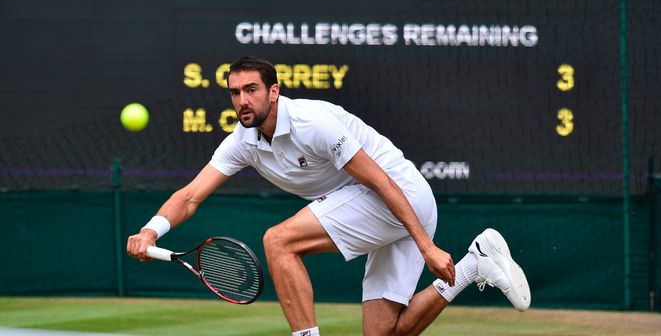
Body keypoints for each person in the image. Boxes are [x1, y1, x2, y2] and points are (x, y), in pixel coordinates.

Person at [127, 56, 530, 335]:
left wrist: (426, 246)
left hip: (399, 194)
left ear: (274, 92)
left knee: (278, 241)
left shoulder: (312, 122)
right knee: (387, 333)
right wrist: (151, 230)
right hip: (384, 207)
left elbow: (380, 182)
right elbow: (191, 195)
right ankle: (474, 266)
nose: (242, 100)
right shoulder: (242, 141)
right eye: (234, 93)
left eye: (251, 90)